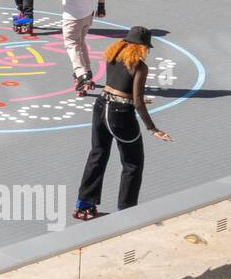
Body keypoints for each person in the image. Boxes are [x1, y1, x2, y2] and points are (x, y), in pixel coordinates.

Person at [73, 27, 171, 219]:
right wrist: (153, 129)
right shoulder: (140, 66)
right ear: (143, 47)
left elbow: (118, 86)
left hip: (101, 106)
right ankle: (127, 210)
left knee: (98, 154)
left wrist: (133, 100)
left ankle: (84, 204)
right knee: (133, 163)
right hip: (121, 116)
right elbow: (137, 101)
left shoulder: (113, 54)